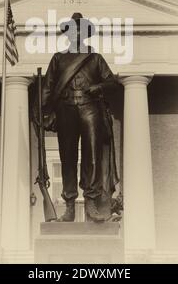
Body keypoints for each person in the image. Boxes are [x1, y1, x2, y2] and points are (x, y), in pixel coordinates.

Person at [40, 12, 119, 222]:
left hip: (90, 107)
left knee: (92, 156)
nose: (76, 33)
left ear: (85, 33)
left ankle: (91, 202)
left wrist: (98, 86)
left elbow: (112, 83)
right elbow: (47, 88)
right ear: (68, 33)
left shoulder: (95, 59)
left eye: (80, 29)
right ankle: (70, 206)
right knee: (67, 158)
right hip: (66, 108)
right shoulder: (58, 58)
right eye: (72, 29)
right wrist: (45, 113)